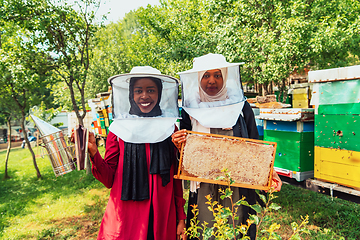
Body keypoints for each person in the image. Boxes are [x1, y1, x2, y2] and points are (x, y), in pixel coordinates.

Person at [172, 53, 282, 240]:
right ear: (199, 79)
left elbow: (255, 144)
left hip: (236, 184)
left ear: (225, 77)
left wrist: (269, 171)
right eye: (206, 76)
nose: (212, 80)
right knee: (204, 228)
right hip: (203, 184)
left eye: (217, 75)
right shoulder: (190, 110)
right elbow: (184, 153)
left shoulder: (241, 107)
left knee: (236, 227)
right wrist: (178, 143)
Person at [86, 66, 187, 240]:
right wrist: (95, 154)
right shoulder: (118, 130)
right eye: (138, 90)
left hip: (162, 215)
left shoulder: (170, 128)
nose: (145, 96)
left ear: (160, 93)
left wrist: (181, 217)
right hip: (126, 217)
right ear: (131, 95)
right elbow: (109, 179)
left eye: (151, 90)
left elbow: (175, 178)